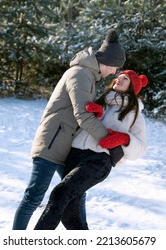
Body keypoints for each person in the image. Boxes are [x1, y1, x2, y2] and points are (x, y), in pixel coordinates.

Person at [12, 29, 126, 230]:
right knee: (34, 196)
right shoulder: (80, 74)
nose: (115, 73)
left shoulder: (88, 75)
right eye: (116, 68)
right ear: (108, 62)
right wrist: (109, 141)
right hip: (52, 143)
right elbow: (83, 115)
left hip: (66, 145)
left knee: (75, 193)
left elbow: (85, 112)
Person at [34, 69, 148, 230]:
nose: (118, 80)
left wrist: (125, 138)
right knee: (69, 216)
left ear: (132, 86)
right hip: (75, 155)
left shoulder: (134, 113)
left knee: (60, 193)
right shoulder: (102, 101)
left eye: (124, 79)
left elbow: (141, 147)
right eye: (118, 77)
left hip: (99, 160)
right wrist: (95, 116)